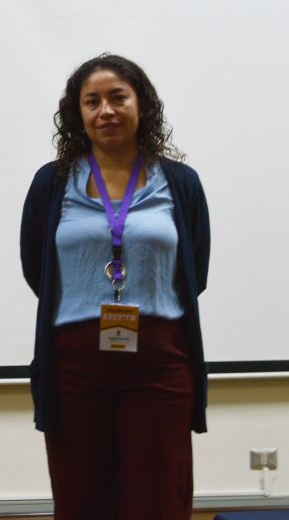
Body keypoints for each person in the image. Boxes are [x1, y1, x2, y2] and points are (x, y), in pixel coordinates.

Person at [20, 54, 211, 520]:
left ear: (141, 105)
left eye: (117, 98)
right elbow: (36, 268)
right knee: (82, 496)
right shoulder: (53, 183)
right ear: (78, 114)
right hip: (74, 366)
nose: (105, 110)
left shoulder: (180, 182)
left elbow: (194, 271)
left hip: (160, 365)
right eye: (92, 101)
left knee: (158, 498)